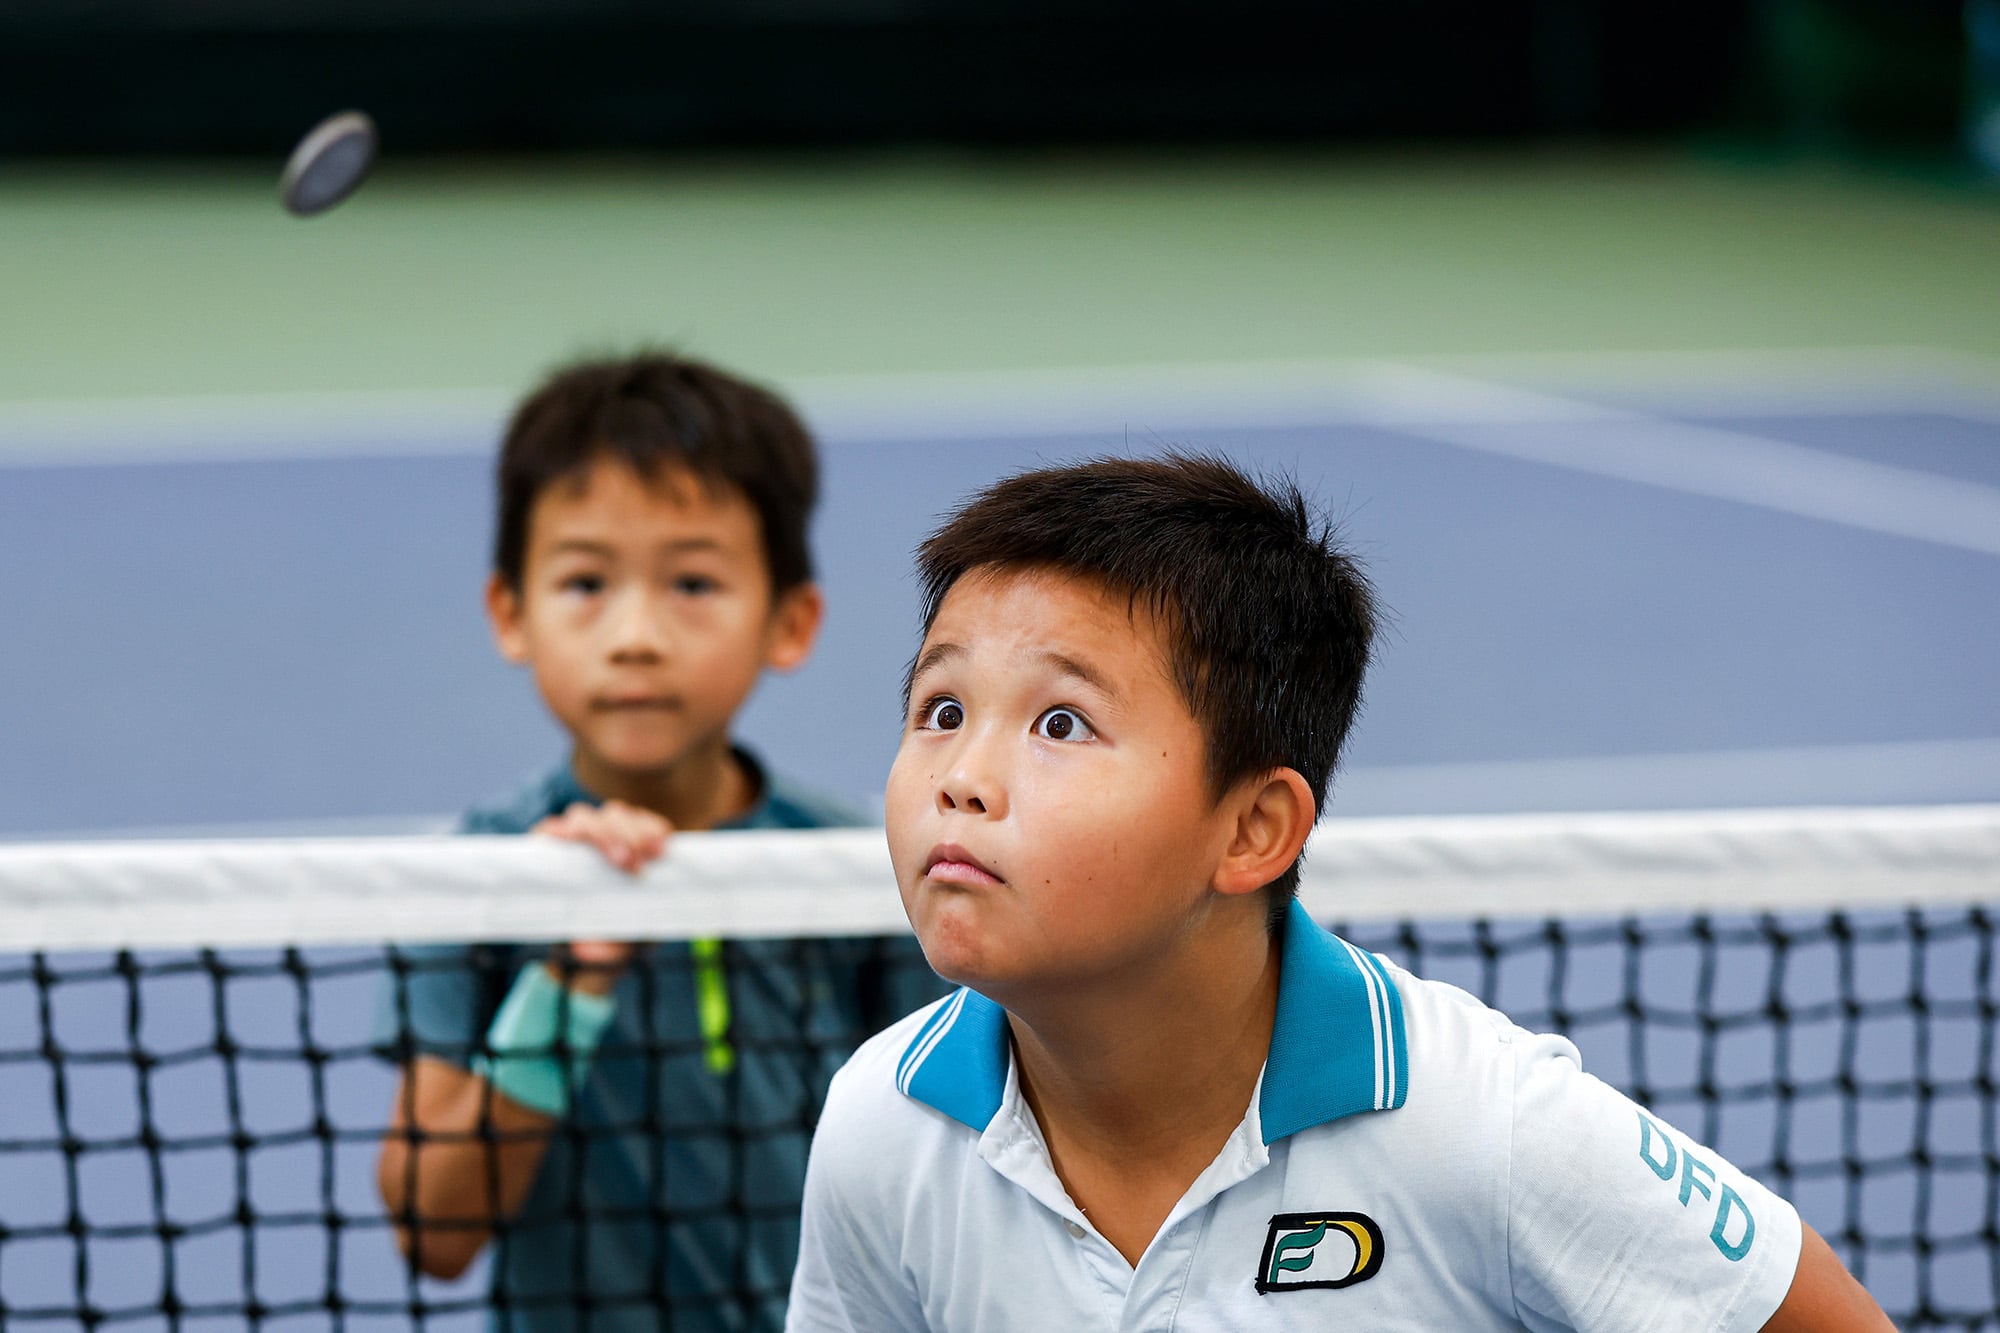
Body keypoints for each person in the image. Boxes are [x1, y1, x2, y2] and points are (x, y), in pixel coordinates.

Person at [786, 454, 1893, 1331]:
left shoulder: (1487, 1130)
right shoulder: (883, 1124)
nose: (961, 780)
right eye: (939, 709)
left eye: (1060, 723)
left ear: (1253, 827)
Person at [372, 352, 939, 1333]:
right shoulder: (476, 876)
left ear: (789, 620)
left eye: (691, 582)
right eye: (585, 580)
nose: (635, 634)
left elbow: (952, 1181)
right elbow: (436, 1227)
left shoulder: (862, 873)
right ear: (511, 612)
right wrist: (565, 977)